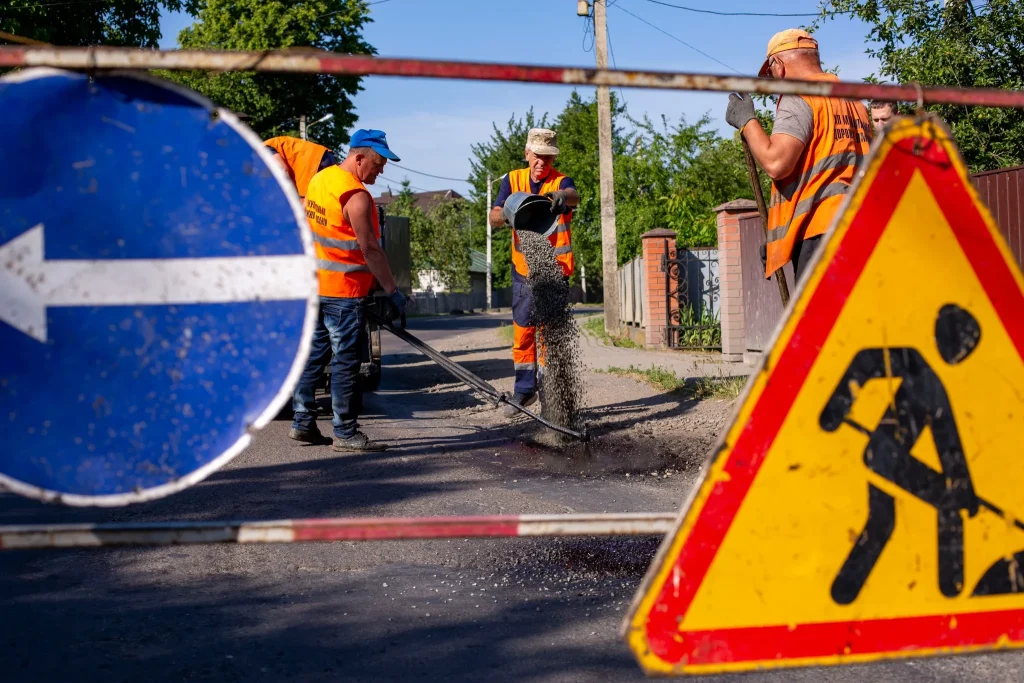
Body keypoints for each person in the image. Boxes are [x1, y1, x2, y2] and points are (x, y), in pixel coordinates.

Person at [289, 129, 407, 452]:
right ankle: (345, 431)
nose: (380, 170)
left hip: (316, 289)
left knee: (313, 355)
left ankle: (303, 422)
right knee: (346, 361)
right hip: (343, 293)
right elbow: (370, 250)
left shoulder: (319, 180)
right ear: (359, 158)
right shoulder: (356, 197)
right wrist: (393, 291)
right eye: (378, 163)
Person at [725, 29, 872, 282]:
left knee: (821, 321)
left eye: (771, 74)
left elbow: (776, 163)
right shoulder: (855, 103)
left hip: (821, 234)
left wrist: (747, 121)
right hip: (861, 228)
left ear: (779, 66)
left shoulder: (799, 96)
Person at [488, 128, 579, 417]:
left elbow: (573, 195)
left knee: (550, 333)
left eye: (548, 158)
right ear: (527, 153)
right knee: (524, 329)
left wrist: (562, 198)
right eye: (538, 156)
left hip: (554, 269)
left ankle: (553, 393)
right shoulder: (512, 180)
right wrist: (506, 213)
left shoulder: (561, 181)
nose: (542, 163)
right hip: (524, 268)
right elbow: (493, 216)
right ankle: (524, 392)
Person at [264, 135, 338, 200]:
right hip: (323, 156)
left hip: (313, 164)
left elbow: (282, 170)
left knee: (311, 208)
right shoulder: (270, 144)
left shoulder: (263, 149)